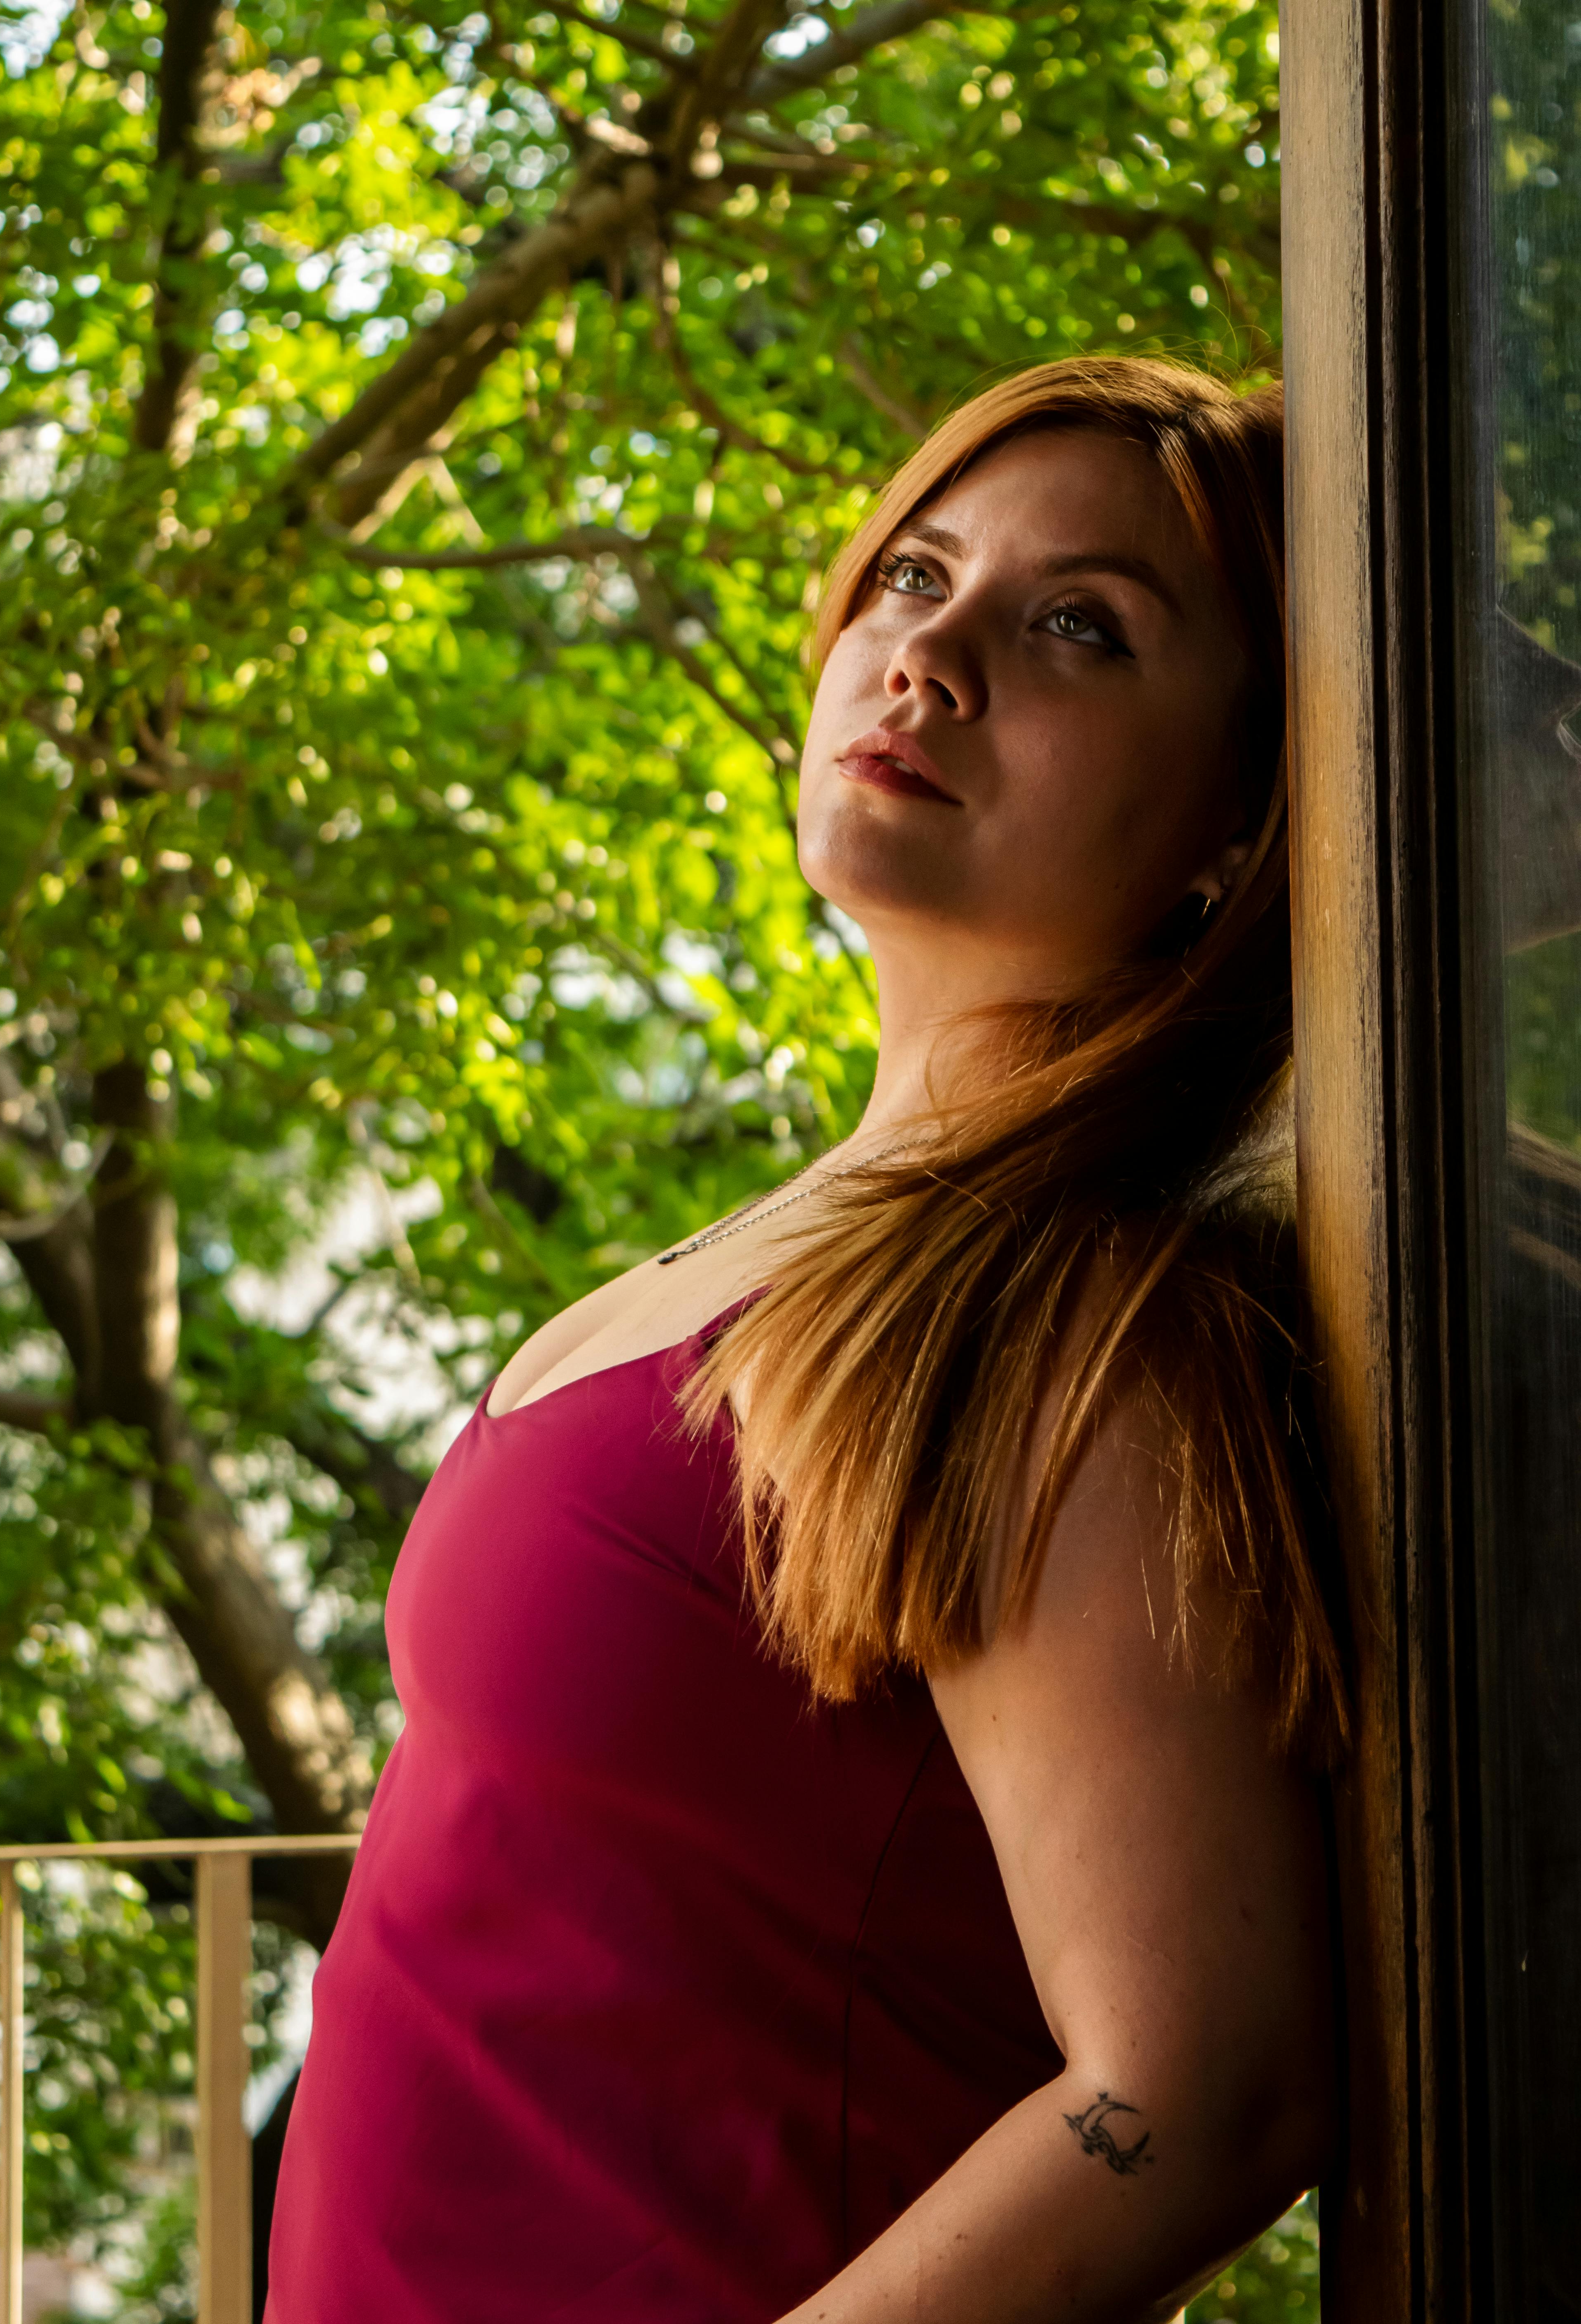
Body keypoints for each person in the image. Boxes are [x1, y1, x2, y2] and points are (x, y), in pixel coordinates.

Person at [265, 356, 1348, 2323]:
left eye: (1076, 628)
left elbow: (1199, 2084)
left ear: (1235, 821)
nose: (932, 659)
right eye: (913, 577)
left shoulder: (1055, 1324)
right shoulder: (816, 1248)